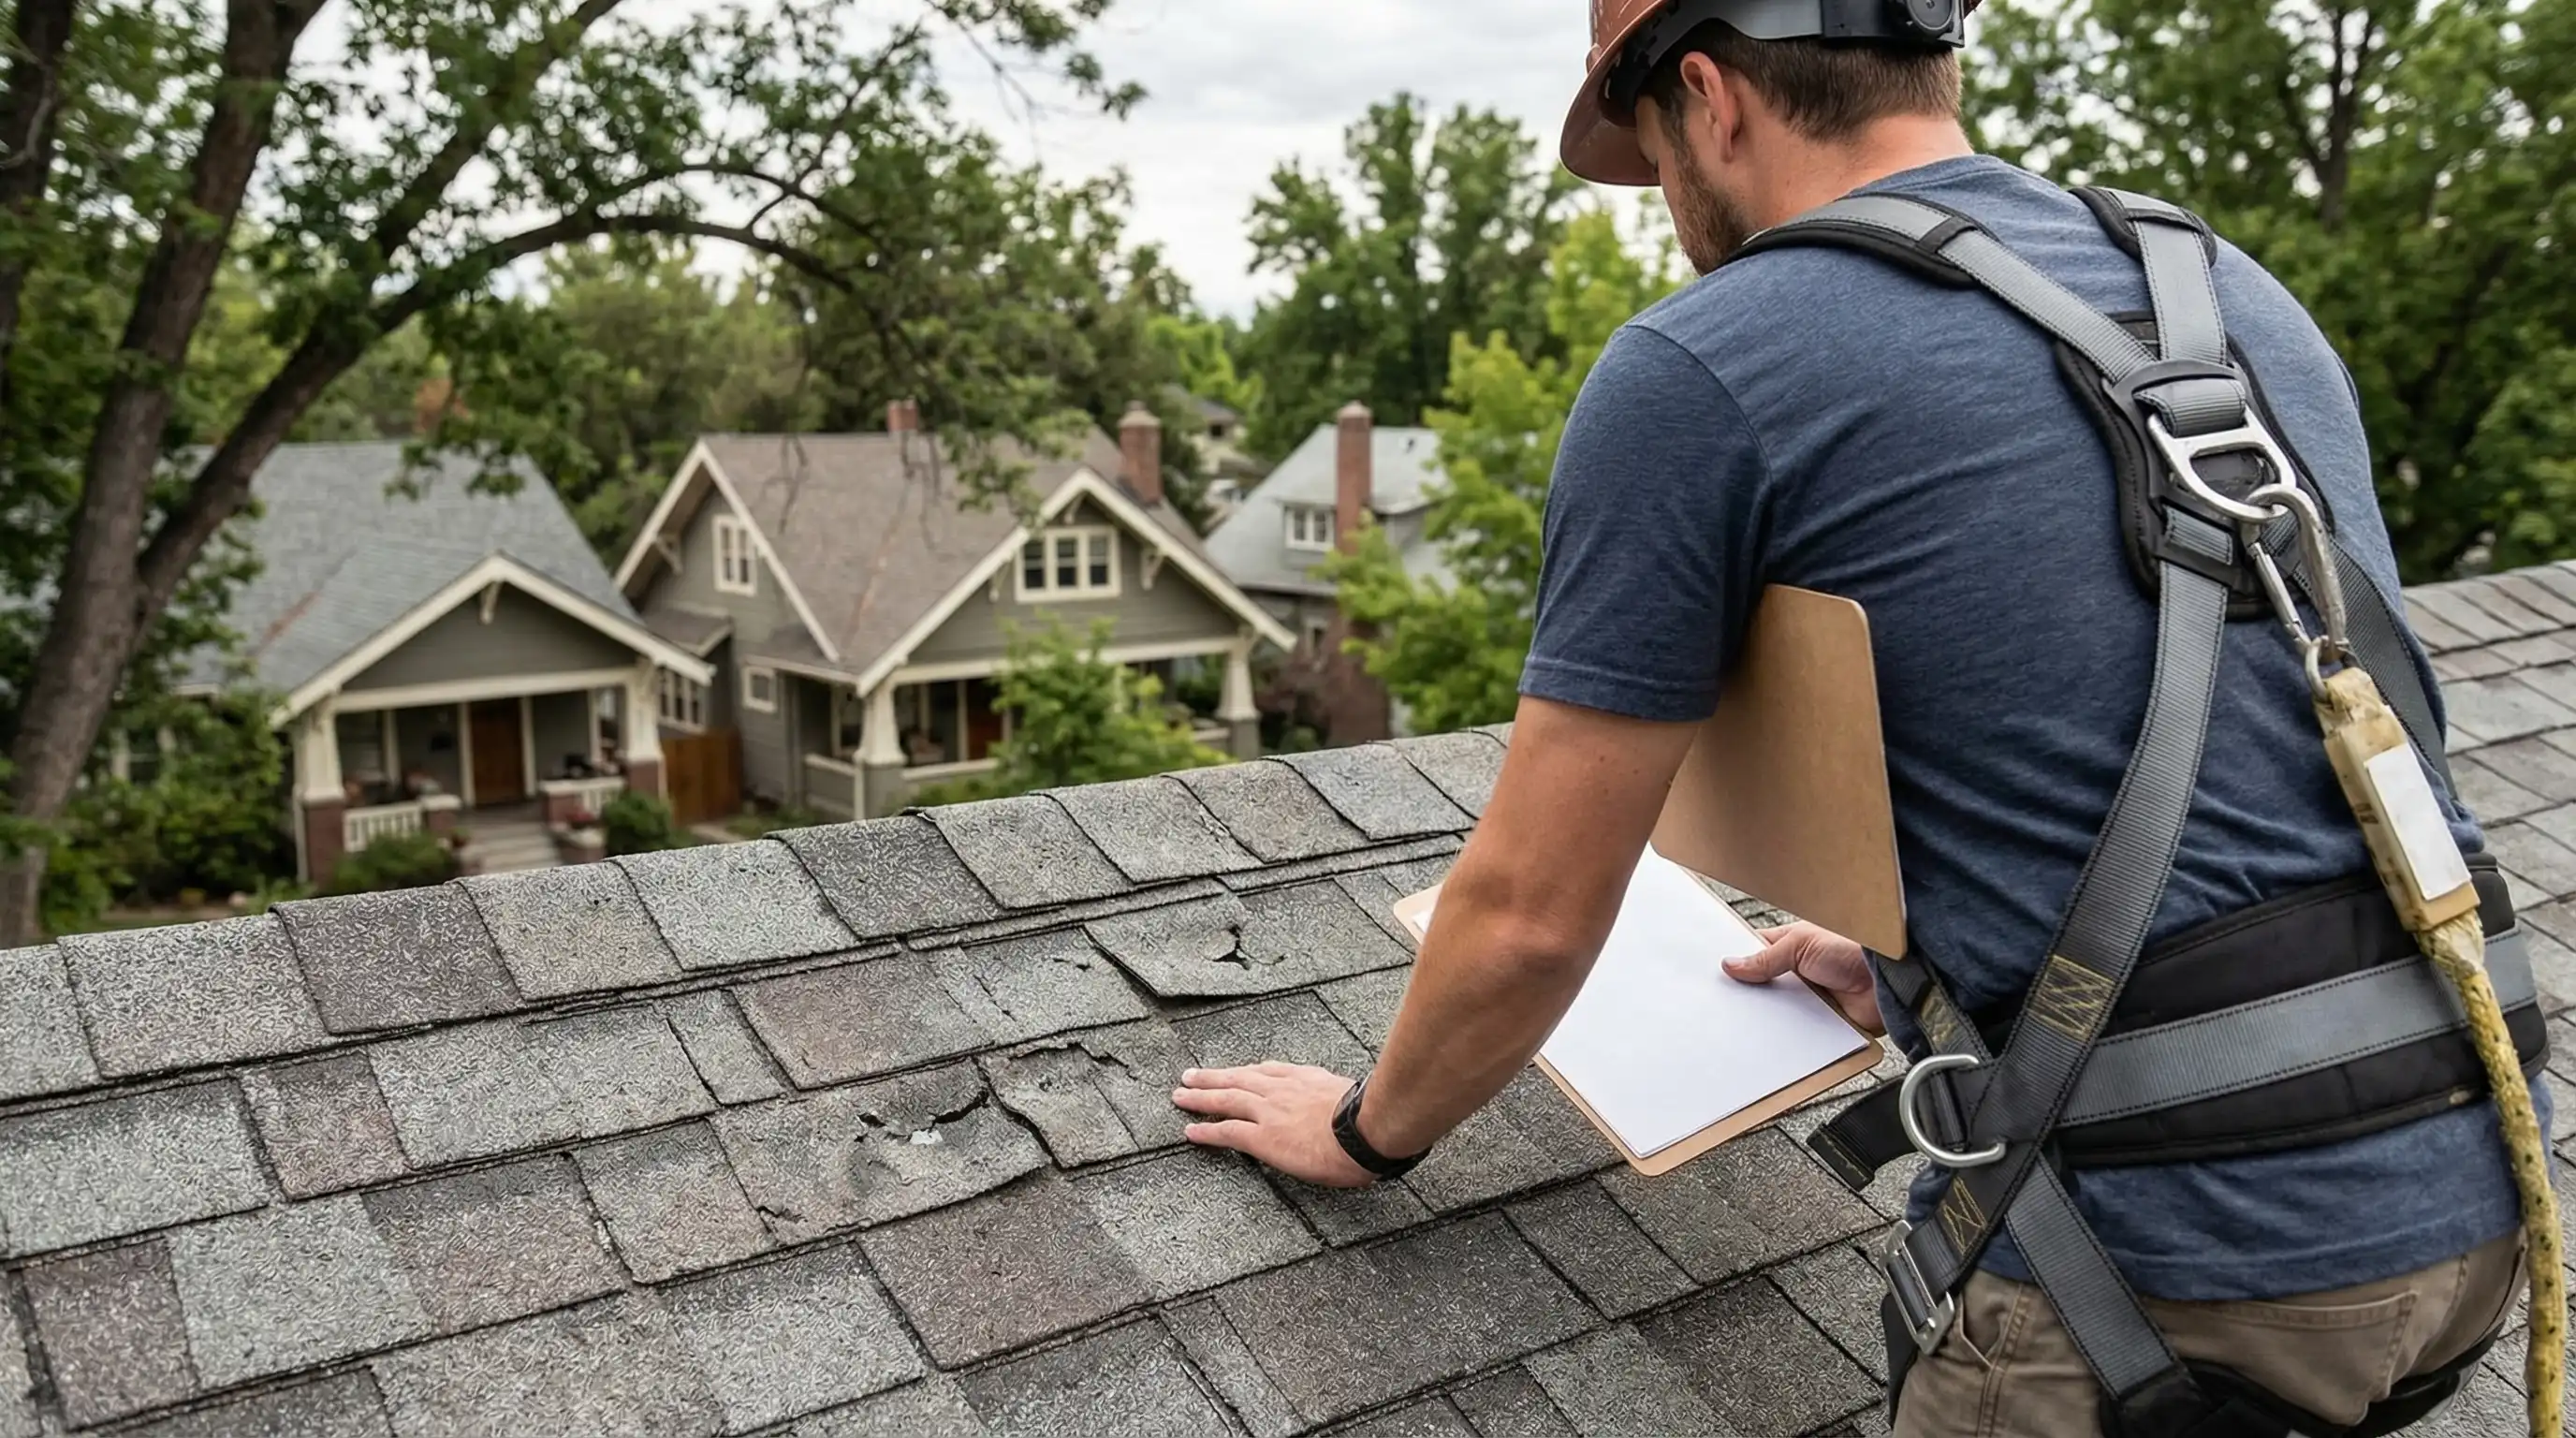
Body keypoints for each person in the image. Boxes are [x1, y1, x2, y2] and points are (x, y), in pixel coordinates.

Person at [1171, 3, 2539, 1434]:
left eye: (1648, 151)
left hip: (2169, 1277)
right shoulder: (2224, 294)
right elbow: (2264, 745)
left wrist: (1363, 1134)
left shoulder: (1708, 364)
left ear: (1706, 94)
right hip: (2474, 1189)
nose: (1666, 212)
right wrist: (1925, 951)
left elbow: (1525, 912)